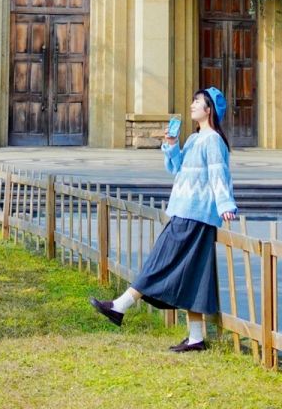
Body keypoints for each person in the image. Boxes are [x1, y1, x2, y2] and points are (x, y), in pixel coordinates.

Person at [90, 86, 238, 352]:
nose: (192, 105)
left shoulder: (213, 141)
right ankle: (196, 338)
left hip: (195, 215)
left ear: (209, 110)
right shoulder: (195, 139)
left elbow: (219, 174)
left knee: (159, 261)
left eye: (197, 102)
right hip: (184, 211)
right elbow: (177, 168)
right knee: (195, 275)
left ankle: (120, 306)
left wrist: (226, 204)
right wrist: (171, 146)